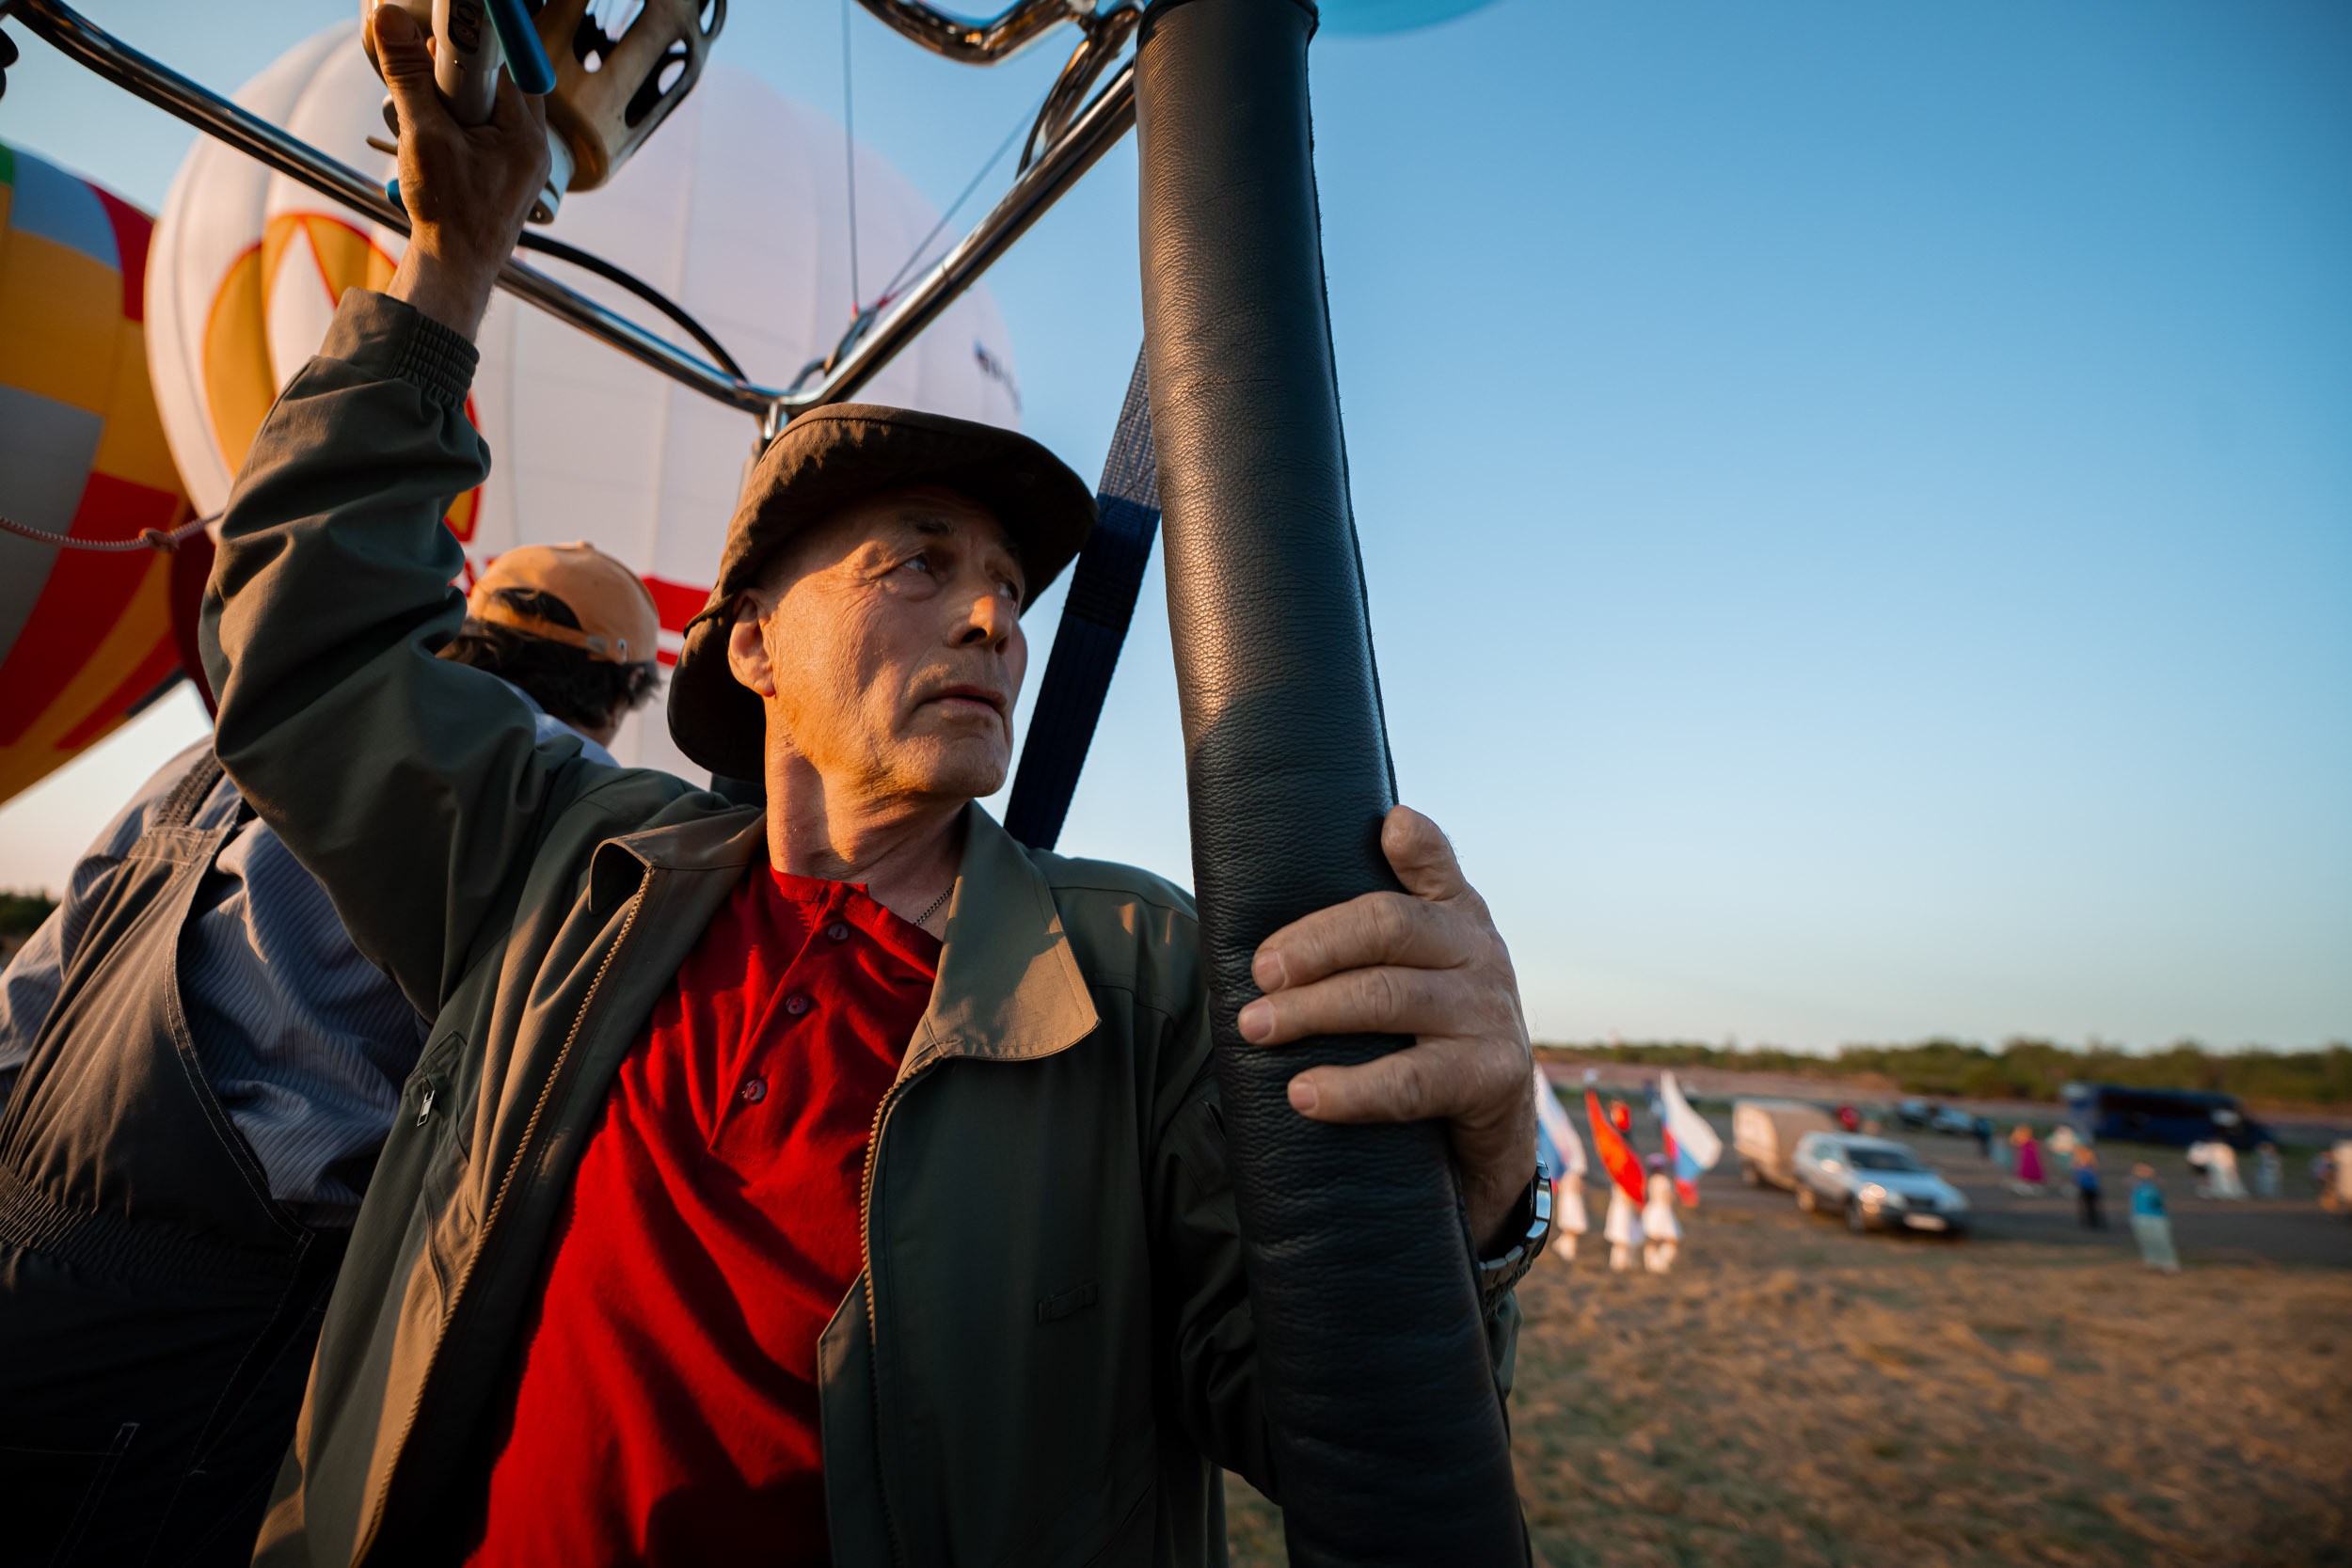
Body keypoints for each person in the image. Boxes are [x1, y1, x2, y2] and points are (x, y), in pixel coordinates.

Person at [213, 12, 1545, 1562]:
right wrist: (449, 262)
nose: (993, 617)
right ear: (756, 643)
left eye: (1008, 588)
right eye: (922, 559)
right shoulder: (571, 872)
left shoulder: (1144, 976)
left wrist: (1481, 1180)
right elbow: (308, 647)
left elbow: (1316, 1411)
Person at [0, 541, 657, 1566]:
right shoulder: (561, 795)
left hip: (26, 1222)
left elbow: (39, 985)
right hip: (223, 1308)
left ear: (471, 628)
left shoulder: (232, 739)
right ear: (619, 691)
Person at [2130, 1163, 2181, 1274]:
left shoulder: (2156, 1184)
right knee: (2146, 1239)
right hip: (2139, 1216)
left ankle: (2169, 1262)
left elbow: (2160, 1201)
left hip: (2156, 1216)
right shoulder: (2137, 1185)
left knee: (2161, 1240)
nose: (2141, 1172)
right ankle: (2152, 1261)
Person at [1641, 1171, 1680, 1274]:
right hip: (1663, 1211)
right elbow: (1667, 1197)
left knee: (1652, 1239)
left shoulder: (1650, 1180)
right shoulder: (1664, 1180)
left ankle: (1650, 1264)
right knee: (1673, 1239)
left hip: (1651, 1209)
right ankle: (1659, 1264)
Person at [1604, 1178, 1644, 1273]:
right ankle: (1619, 1264)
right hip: (1623, 1213)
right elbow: (1628, 1199)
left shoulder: (1618, 1184)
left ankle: (1619, 1264)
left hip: (1620, 1212)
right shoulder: (1623, 1185)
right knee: (1622, 1239)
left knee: (1622, 1240)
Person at [2072, 1145, 2104, 1229]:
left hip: (2091, 1189)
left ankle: (2094, 1222)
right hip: (2082, 1188)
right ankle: (2085, 1222)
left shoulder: (2091, 1166)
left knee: (2092, 1206)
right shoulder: (2078, 1166)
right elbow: (2076, 1178)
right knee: (2083, 1206)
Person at [2010, 1123, 2046, 1195]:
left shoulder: (2030, 1141)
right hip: (2025, 1162)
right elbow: (2013, 1140)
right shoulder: (2024, 1141)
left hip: (2030, 1162)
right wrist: (2016, 1131)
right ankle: (2027, 1187)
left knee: (2029, 1175)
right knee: (2025, 1175)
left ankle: (2030, 1187)